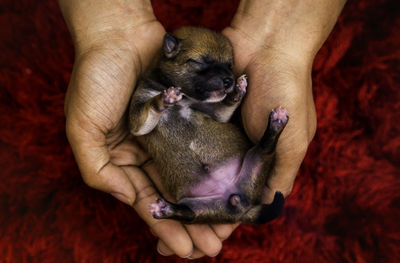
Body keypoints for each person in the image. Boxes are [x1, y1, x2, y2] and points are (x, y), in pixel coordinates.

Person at [58, 0, 346, 259]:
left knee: (252, 166)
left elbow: (218, 117)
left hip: (231, 169)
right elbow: (139, 125)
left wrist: (237, 94)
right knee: (199, 206)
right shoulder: (149, 91)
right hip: (196, 185)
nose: (223, 78)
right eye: (202, 66)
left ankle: (270, 136)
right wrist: (159, 103)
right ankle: (177, 210)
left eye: (226, 69)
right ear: (170, 51)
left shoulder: (192, 95)